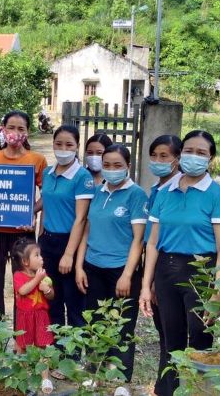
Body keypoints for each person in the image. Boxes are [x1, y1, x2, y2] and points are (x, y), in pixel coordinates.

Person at [139, 130, 220, 395]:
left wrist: (218, 291)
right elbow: (153, 243)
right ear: (180, 155)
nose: (194, 156)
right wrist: (146, 285)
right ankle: (167, 389)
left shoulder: (218, 195)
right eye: (189, 151)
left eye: (201, 152)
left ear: (210, 158)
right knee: (171, 337)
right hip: (166, 271)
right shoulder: (165, 192)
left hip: (201, 272)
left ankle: (197, 390)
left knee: (201, 337)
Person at [75, 144, 147, 389]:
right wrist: (79, 266)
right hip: (93, 267)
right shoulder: (97, 191)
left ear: (128, 166)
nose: (111, 169)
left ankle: (120, 381)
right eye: (107, 165)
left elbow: (138, 240)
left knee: (122, 326)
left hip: (121, 270)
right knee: (94, 322)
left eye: (117, 165)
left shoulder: (136, 195)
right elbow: (86, 231)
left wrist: (127, 274)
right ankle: (94, 372)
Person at [0, 111, 47, 324]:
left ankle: (22, 335)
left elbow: (47, 194)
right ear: (2, 129)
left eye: (21, 128)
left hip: (23, 234)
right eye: (11, 127)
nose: (15, 132)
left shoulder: (37, 160)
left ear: (28, 132)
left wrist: (32, 211)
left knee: (25, 284)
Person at [39, 125, 94, 328]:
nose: (63, 149)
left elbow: (81, 219)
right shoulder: (48, 173)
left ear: (77, 146)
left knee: (74, 302)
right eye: (58, 144)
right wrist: (39, 237)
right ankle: (55, 344)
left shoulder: (82, 177)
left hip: (69, 241)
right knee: (51, 298)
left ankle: (75, 346)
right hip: (47, 241)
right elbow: (45, 204)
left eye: (69, 145)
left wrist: (69, 254)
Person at [145, 135, 182, 396]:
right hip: (154, 263)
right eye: (154, 156)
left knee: (174, 334)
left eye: (164, 156)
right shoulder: (156, 190)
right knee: (164, 333)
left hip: (169, 267)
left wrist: (156, 280)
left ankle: (171, 387)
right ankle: (163, 385)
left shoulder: (177, 192)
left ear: (177, 159)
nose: (158, 161)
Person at [12, 238, 55, 394]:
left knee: (43, 346)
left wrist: (47, 290)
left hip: (41, 316)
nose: (41, 258)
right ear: (25, 262)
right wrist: (37, 279)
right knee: (22, 346)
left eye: (40, 254)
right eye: (37, 255)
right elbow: (22, 290)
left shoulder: (44, 275)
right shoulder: (18, 275)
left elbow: (51, 296)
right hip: (24, 317)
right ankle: (21, 376)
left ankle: (45, 378)